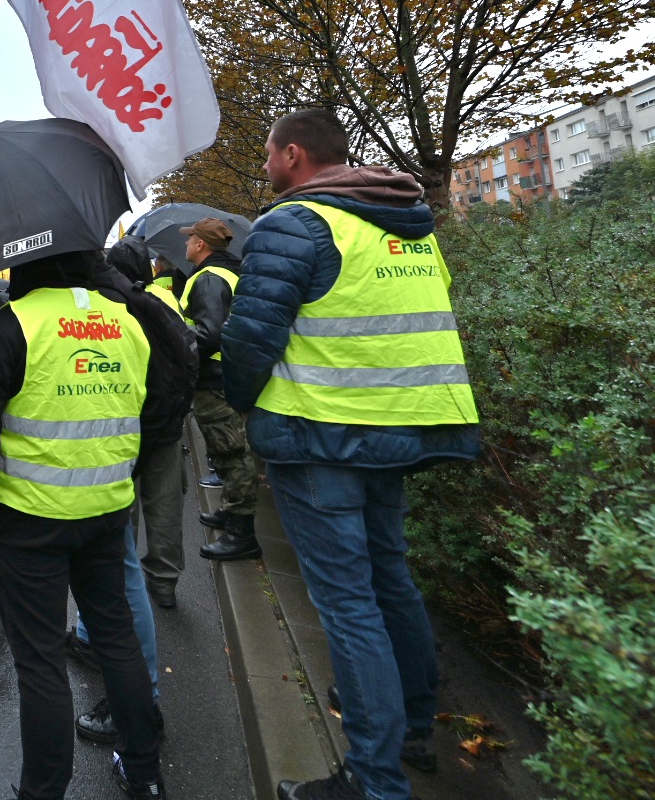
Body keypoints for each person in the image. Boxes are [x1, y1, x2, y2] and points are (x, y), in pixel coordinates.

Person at [222, 109, 481, 800]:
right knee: (390, 580)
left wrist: (244, 402)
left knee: (348, 604)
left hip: (322, 438)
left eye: (270, 151)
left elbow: (250, 341)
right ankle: (414, 730)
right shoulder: (407, 228)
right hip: (399, 431)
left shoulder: (295, 222)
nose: (267, 164)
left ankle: (374, 780)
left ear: (294, 155)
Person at [0, 248, 193, 799]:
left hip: (26, 521)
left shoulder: (10, 326)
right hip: (107, 512)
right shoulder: (127, 321)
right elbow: (153, 411)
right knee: (116, 638)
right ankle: (145, 774)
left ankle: (43, 789)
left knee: (40, 661)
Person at [103, 236, 188, 609]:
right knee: (166, 502)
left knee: (123, 502)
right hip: (168, 419)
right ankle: (165, 581)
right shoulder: (166, 299)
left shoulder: (112, 304)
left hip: (128, 419)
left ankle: (122, 577)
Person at [178, 217, 259, 562]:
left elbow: (209, 334)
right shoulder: (229, 272)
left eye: (189, 239)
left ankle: (242, 532)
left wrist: (176, 340)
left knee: (231, 451)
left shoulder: (209, 279)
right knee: (229, 449)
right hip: (230, 372)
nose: (185, 245)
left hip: (215, 377)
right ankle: (230, 511)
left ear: (201, 243)